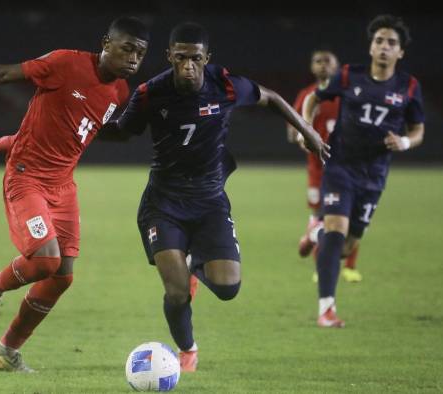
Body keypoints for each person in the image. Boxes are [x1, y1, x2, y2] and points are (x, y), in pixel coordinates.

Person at [0, 16, 149, 372]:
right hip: (26, 179)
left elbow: (74, 129)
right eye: (127, 48)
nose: (133, 58)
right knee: (44, 260)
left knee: (62, 276)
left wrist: (12, 139)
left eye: (141, 53)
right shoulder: (65, 63)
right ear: (106, 43)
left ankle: (6, 352)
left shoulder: (119, 92)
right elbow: (4, 74)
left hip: (63, 185)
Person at [100, 22, 329, 372]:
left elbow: (271, 97)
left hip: (209, 201)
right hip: (163, 203)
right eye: (180, 58)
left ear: (207, 58)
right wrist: (77, 124)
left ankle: (195, 265)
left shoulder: (225, 85)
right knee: (176, 293)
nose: (188, 66)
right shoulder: (151, 93)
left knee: (227, 288)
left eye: (195, 58)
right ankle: (187, 350)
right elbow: (122, 131)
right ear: (169, 57)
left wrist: (308, 130)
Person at [302, 15, 425, 328]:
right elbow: (314, 98)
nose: (384, 47)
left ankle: (314, 232)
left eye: (391, 43)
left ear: (401, 53)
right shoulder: (348, 75)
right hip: (340, 165)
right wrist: (307, 129)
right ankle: (326, 309)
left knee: (344, 246)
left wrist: (405, 142)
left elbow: (418, 129)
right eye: (379, 41)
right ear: (371, 47)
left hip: (374, 175)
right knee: (336, 230)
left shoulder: (408, 86)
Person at [289, 50, 363, 283]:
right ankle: (321, 264)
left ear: (337, 66)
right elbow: (293, 130)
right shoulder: (307, 95)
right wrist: (303, 138)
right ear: (312, 67)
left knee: (350, 218)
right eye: (318, 62)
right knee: (325, 218)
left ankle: (349, 267)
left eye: (327, 61)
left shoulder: (346, 95)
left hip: (346, 167)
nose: (322, 66)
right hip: (318, 171)